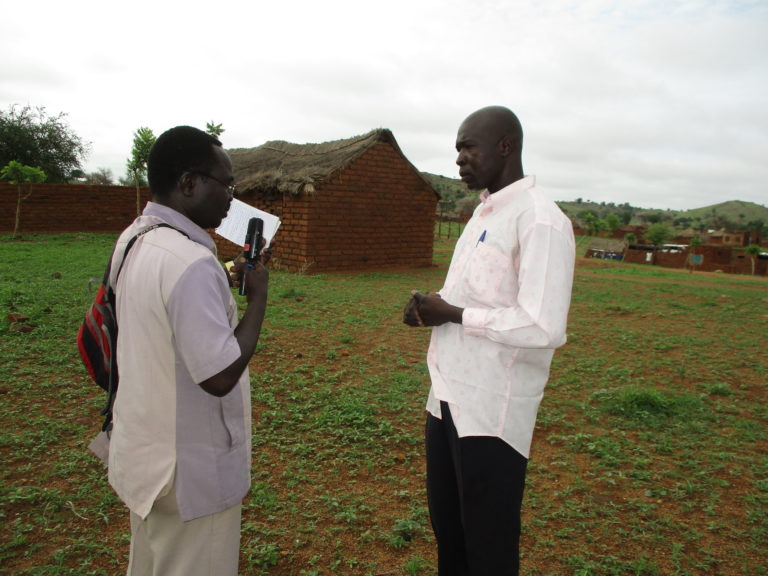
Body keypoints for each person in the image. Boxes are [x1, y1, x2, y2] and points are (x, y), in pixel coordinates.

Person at [403, 106, 575, 575]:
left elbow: (543, 326)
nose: (459, 158)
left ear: (506, 145)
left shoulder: (539, 220)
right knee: (451, 534)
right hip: (445, 397)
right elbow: (470, 296)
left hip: (491, 413)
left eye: (467, 146)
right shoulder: (483, 213)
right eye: (457, 149)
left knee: (488, 544)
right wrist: (430, 308)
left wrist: (454, 314)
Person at [106, 126, 269, 576]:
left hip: (145, 460)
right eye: (227, 185)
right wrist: (257, 300)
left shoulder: (135, 240)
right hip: (190, 477)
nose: (232, 200)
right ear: (189, 183)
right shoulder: (191, 263)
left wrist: (230, 269)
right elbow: (219, 376)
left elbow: (171, 303)